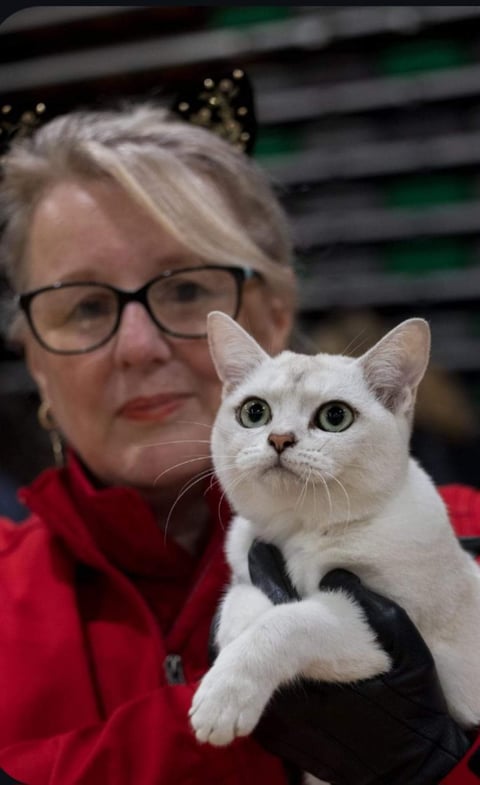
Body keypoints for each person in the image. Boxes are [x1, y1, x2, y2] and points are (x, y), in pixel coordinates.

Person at [0, 89, 478, 785]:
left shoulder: (460, 536)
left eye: (187, 291)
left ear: (273, 318)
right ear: (36, 361)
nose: (138, 345)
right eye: (86, 305)